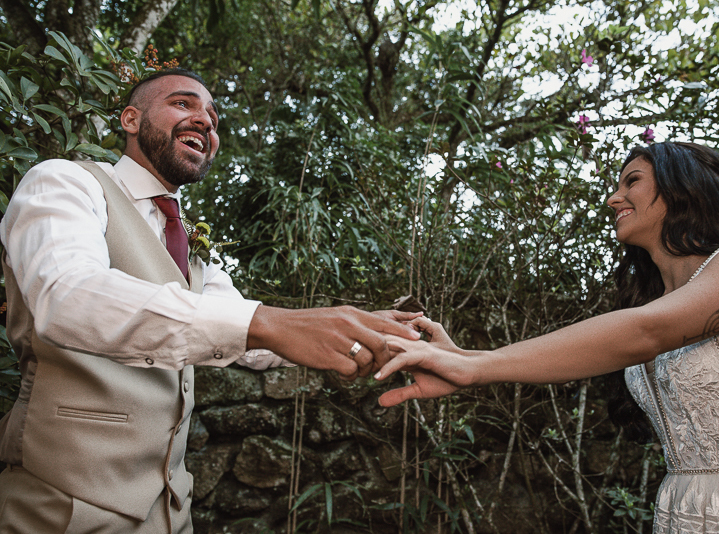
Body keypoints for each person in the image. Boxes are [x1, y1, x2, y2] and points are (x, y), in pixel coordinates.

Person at [0, 68, 420, 533]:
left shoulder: (189, 239)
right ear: (131, 119)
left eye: (213, 117)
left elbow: (252, 338)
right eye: (184, 104)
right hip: (63, 510)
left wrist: (367, 332)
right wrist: (269, 323)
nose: (205, 121)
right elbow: (68, 296)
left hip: (172, 513)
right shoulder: (64, 182)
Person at [376, 142, 719, 532]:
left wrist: (474, 367)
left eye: (631, 181)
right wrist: (465, 356)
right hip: (685, 509)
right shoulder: (651, 302)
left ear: (684, 186)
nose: (613, 199)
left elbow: (646, 332)